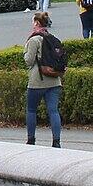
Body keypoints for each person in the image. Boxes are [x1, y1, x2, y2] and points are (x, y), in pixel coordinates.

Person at [23, 13, 67, 146]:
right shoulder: (52, 38)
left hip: (37, 80)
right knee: (53, 110)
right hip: (54, 80)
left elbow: (29, 61)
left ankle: (31, 139)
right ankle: (56, 141)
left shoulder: (34, 40)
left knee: (31, 110)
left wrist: (25, 53)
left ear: (36, 22)